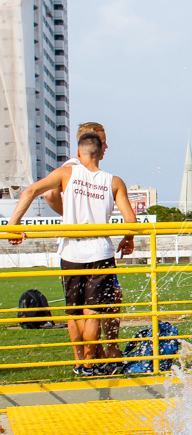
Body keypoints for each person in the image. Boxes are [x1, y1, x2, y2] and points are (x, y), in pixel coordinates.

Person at [7, 132, 137, 376]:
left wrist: (14, 225)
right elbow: (131, 219)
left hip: (71, 251)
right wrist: (127, 239)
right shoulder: (114, 181)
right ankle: (90, 363)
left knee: (73, 311)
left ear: (78, 153)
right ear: (100, 154)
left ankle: (80, 362)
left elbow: (30, 191)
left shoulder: (66, 173)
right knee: (93, 311)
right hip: (100, 251)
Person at [42, 122, 125, 368]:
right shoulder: (73, 168)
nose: (106, 146)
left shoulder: (81, 169)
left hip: (77, 249)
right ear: (91, 143)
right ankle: (94, 357)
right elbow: (48, 194)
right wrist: (73, 219)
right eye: (103, 141)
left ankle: (93, 358)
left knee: (86, 306)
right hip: (88, 248)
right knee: (93, 308)